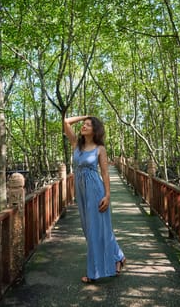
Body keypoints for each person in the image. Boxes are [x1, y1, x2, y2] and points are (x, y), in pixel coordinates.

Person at [64, 115, 126, 283]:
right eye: (83, 124)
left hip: (95, 190)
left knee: (96, 230)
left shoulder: (100, 149)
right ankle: (118, 256)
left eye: (88, 125)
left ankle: (94, 273)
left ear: (95, 130)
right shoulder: (76, 144)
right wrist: (86, 115)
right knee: (88, 229)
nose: (84, 126)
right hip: (81, 191)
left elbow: (105, 173)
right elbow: (66, 122)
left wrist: (107, 195)